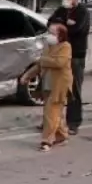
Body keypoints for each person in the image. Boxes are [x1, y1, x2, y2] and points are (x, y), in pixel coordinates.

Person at [20, 22, 73, 153]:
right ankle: (62, 136)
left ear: (60, 35)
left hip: (59, 85)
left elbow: (59, 62)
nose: (49, 35)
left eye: (52, 33)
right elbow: (39, 66)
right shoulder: (47, 47)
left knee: (50, 113)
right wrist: (26, 76)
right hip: (47, 84)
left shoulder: (65, 46)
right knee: (55, 113)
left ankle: (47, 141)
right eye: (48, 32)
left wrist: (42, 59)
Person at [47, 0, 90, 135]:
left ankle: (73, 123)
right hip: (59, 54)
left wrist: (61, 26)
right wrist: (65, 24)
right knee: (55, 90)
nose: (66, 0)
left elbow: (77, 30)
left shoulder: (82, 12)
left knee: (74, 90)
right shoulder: (61, 10)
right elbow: (50, 24)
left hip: (76, 56)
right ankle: (51, 121)